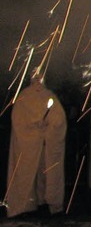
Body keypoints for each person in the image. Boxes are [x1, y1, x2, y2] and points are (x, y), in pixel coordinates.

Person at [5, 72, 67, 218]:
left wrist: (47, 128)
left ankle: (45, 202)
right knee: (27, 173)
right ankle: (25, 205)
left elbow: (59, 120)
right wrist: (36, 128)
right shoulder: (25, 97)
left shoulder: (48, 96)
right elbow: (19, 122)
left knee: (46, 173)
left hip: (46, 146)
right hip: (29, 146)